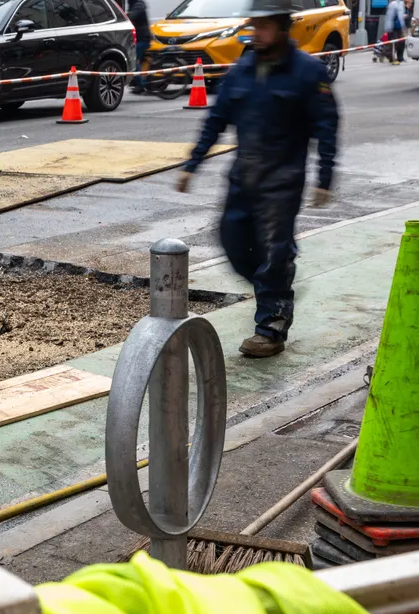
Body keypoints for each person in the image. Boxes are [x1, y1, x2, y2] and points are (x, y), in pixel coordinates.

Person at [176, 0, 337, 358]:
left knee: (275, 251)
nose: (256, 33)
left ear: (282, 27)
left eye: (263, 26)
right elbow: (216, 120)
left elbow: (327, 126)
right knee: (233, 244)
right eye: (253, 25)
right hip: (243, 176)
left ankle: (271, 326)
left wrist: (324, 176)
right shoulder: (242, 69)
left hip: (283, 178)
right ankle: (275, 291)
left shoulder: (308, 73)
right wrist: (192, 164)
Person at [128, 0, 152, 94]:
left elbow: (132, 16)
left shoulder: (139, 4)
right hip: (139, 37)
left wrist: (125, 16)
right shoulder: (134, 4)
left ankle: (141, 84)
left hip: (143, 38)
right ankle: (138, 80)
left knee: (135, 60)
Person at [386, 0, 408, 64]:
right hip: (393, 28)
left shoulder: (401, 5)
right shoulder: (392, 6)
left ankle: (400, 57)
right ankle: (391, 58)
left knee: (402, 42)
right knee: (394, 43)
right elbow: (390, 17)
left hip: (399, 27)